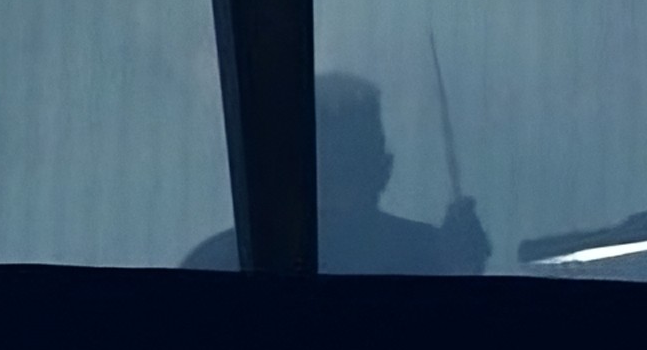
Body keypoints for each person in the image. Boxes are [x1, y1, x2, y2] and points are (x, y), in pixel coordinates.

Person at [182, 71, 491, 274]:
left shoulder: (220, 261)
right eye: (332, 171)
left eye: (348, 168)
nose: (337, 187)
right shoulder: (430, 256)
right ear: (384, 169)